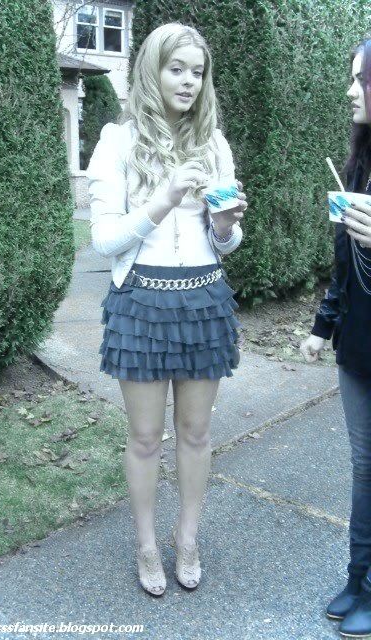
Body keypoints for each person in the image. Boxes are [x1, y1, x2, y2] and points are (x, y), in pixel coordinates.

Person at [86, 22, 247, 596]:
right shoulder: (117, 142)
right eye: (176, 68)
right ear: (152, 72)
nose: (188, 81)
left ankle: (189, 537)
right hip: (142, 303)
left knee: (198, 434)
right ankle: (147, 544)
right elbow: (104, 241)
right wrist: (164, 198)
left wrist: (225, 226)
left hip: (204, 298)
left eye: (197, 71)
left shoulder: (215, 146)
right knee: (147, 437)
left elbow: (225, 243)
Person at [300, 37, 371, 638]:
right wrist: (324, 326)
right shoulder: (360, 161)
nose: (351, 89)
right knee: (364, 467)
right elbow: (343, 262)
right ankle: (359, 579)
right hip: (358, 346)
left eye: (361, 79)